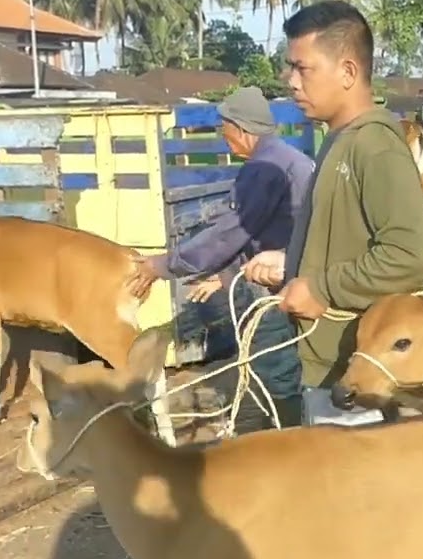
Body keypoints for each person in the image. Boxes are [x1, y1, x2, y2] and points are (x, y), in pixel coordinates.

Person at [242, 0, 423, 402]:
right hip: (327, 359)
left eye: (302, 68)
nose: (290, 80)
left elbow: (407, 257)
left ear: (348, 71)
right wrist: (291, 262)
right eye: (290, 67)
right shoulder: (337, 139)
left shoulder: (375, 146)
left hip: (356, 375)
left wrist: (322, 287)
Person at [126, 87, 314, 427]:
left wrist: (163, 264)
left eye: (223, 127)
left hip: (275, 292)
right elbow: (268, 232)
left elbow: (230, 233)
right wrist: (225, 276)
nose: (222, 136)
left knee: (271, 378)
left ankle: (276, 449)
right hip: (299, 276)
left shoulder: (262, 169)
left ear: (241, 129)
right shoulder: (288, 158)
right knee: (291, 370)